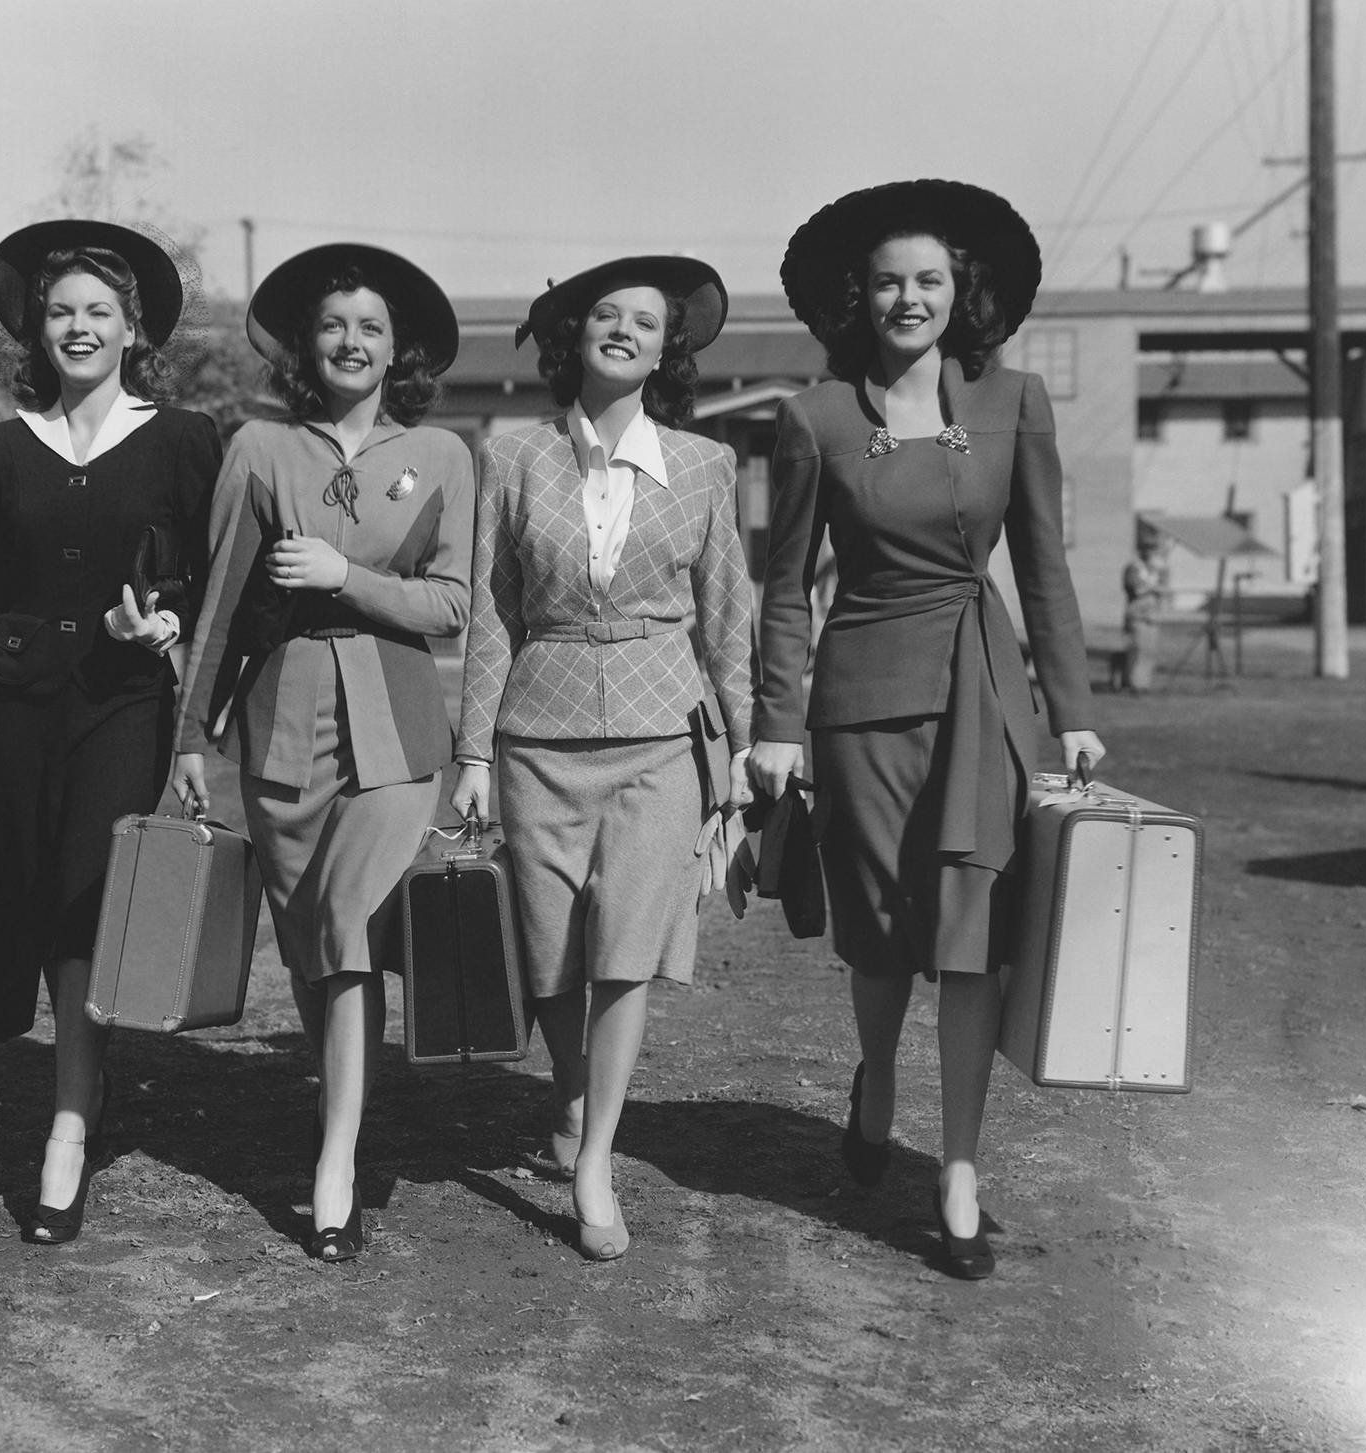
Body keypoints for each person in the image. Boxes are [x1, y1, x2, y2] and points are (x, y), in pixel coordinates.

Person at [751, 182, 1106, 1279]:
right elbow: (782, 591)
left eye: (931, 281)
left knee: (972, 939)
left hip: (980, 698)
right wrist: (776, 724)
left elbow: (1041, 568)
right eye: (891, 281)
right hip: (860, 708)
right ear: (861, 295)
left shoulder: (1015, 401)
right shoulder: (814, 418)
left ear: (963, 294)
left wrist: (1074, 711)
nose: (910, 298)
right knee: (879, 935)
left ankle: (955, 1167)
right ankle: (875, 1073)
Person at [451, 256, 756, 1262]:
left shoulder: (707, 466)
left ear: (669, 350)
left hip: (662, 732)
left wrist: (743, 751)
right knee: (547, 947)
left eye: (645, 322)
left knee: (627, 944)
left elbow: (726, 617)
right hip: (536, 733)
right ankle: (571, 1093)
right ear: (572, 335)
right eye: (605, 316)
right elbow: (493, 610)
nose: (623, 330)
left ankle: (594, 1157)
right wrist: (472, 748)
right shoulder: (512, 454)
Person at [0, 219, 223, 1245]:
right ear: (35, 327)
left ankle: (64, 1127)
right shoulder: (2, 446)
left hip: (121, 700)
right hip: (18, 704)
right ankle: (90, 1080)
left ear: (134, 329)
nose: (79, 327)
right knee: (42, 896)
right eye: (61, 311)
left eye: (100, 311)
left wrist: (170, 621)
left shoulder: (184, 439)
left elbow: (203, 571)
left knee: (94, 893)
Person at [174, 244, 471, 1262]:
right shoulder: (258, 452)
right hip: (279, 726)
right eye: (336, 325)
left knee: (350, 925)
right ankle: (336, 1098)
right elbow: (217, 607)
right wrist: (189, 736)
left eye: (372, 327)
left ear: (400, 351)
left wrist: (347, 573)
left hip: (394, 726)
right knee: (309, 944)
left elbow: (454, 602)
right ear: (309, 344)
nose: (353, 341)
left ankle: (336, 1161)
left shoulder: (440, 457)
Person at [1121, 533, 1170, 691]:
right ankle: (1134, 683)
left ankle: (1144, 683)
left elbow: (1164, 589)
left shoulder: (1158, 568)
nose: (1149, 552)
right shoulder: (1133, 568)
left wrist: (1152, 585)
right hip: (1137, 615)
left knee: (1151, 651)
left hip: (1153, 615)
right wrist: (1151, 585)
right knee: (1138, 650)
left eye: (1152, 549)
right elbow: (1136, 589)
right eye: (1146, 549)